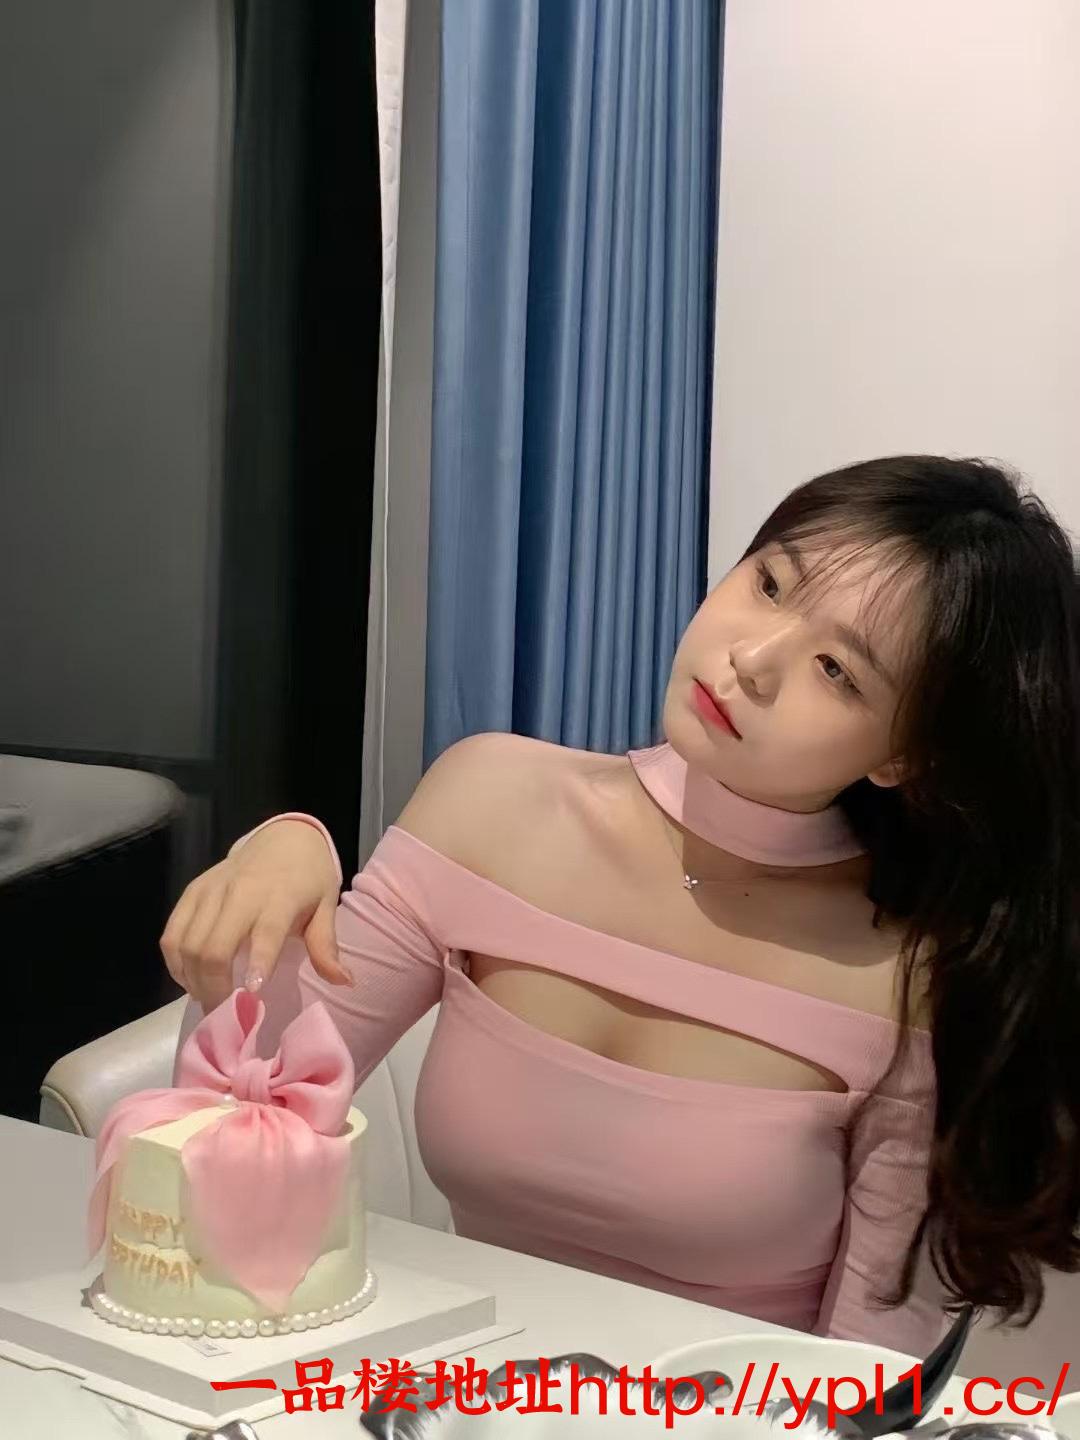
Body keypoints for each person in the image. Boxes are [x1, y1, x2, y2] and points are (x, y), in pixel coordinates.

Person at [162, 455, 1080, 1353]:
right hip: (460, 1406)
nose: (752, 660)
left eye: (838, 670)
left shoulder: (907, 971)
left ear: (906, 756)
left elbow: (868, 1365)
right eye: (769, 584)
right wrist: (285, 857)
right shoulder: (492, 803)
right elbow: (234, 1119)